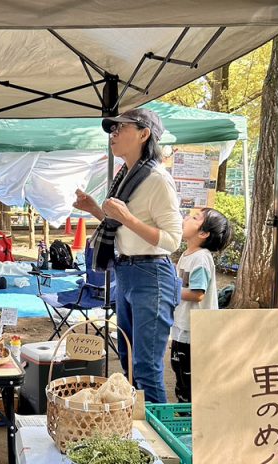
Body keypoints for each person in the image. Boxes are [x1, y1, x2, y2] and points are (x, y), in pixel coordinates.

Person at [74, 108, 182, 403]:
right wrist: (97, 209)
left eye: (121, 129)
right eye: (112, 130)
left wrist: (127, 217)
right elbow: (122, 225)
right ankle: (136, 432)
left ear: (144, 134)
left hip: (152, 274)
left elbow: (172, 240)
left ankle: (160, 444)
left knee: (146, 367)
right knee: (127, 360)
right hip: (127, 271)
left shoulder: (158, 179)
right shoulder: (127, 176)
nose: (114, 134)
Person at [170, 208, 232, 403]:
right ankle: (185, 416)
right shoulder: (189, 254)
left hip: (194, 331)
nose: (186, 217)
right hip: (183, 327)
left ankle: (191, 421)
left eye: (195, 218)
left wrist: (167, 291)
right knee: (180, 375)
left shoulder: (201, 258)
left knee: (190, 381)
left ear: (203, 234)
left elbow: (197, 294)